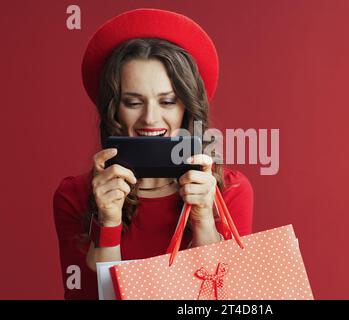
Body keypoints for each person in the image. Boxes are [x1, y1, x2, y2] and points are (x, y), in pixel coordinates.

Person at [53, 8, 254, 300]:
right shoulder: (74, 195)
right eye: (134, 102)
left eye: (168, 101)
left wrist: (204, 221)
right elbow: (85, 296)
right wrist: (108, 222)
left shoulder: (231, 190)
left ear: (186, 106)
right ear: (113, 109)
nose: (151, 118)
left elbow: (228, 301)